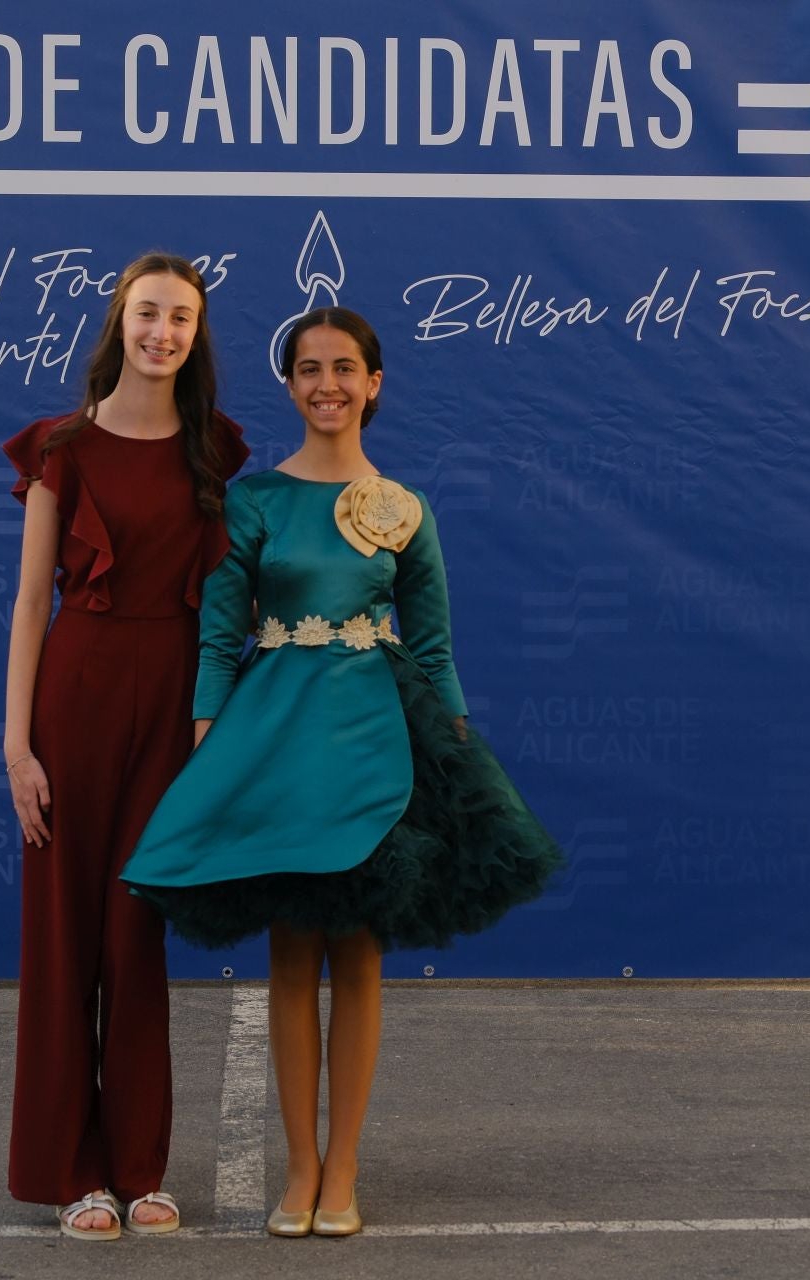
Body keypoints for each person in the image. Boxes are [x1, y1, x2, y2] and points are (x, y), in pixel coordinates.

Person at [122, 306, 563, 1239]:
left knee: (358, 952)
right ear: (291, 386)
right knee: (291, 953)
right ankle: (302, 1169)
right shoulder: (254, 502)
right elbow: (218, 628)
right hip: (278, 738)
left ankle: (346, 1169)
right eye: (310, 368)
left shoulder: (403, 509)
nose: (328, 383)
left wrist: (459, 757)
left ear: (374, 384)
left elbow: (435, 650)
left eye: (346, 368)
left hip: (374, 738)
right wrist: (208, 737)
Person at [2, 252, 248, 1241]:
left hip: (174, 703)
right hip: (76, 696)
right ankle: (75, 1173)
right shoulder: (62, 447)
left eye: (181, 317)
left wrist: (217, 722)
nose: (163, 331)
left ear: (196, 335)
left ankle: (142, 1167)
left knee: (136, 936)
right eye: (149, 312)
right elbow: (29, 606)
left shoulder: (213, 451)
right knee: (64, 943)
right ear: (120, 322)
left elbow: (228, 603)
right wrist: (16, 747)